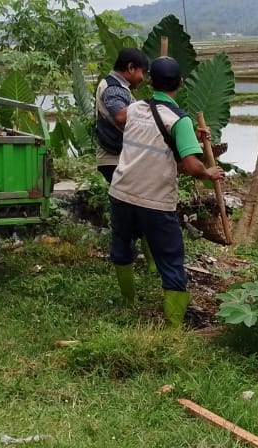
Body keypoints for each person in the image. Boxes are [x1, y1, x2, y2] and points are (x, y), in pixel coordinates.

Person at [108, 56, 224, 325]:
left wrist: (191, 135)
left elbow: (144, 131)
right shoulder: (179, 120)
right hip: (155, 200)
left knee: (122, 246)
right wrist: (208, 173)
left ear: (150, 82)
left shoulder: (135, 109)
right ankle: (173, 329)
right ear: (181, 83)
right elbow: (191, 165)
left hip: (121, 192)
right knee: (170, 258)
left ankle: (127, 302)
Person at [95, 48, 148, 184]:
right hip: (115, 159)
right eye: (142, 72)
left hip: (118, 157)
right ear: (131, 68)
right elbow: (120, 115)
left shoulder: (117, 86)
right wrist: (150, 106)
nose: (143, 78)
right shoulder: (113, 88)